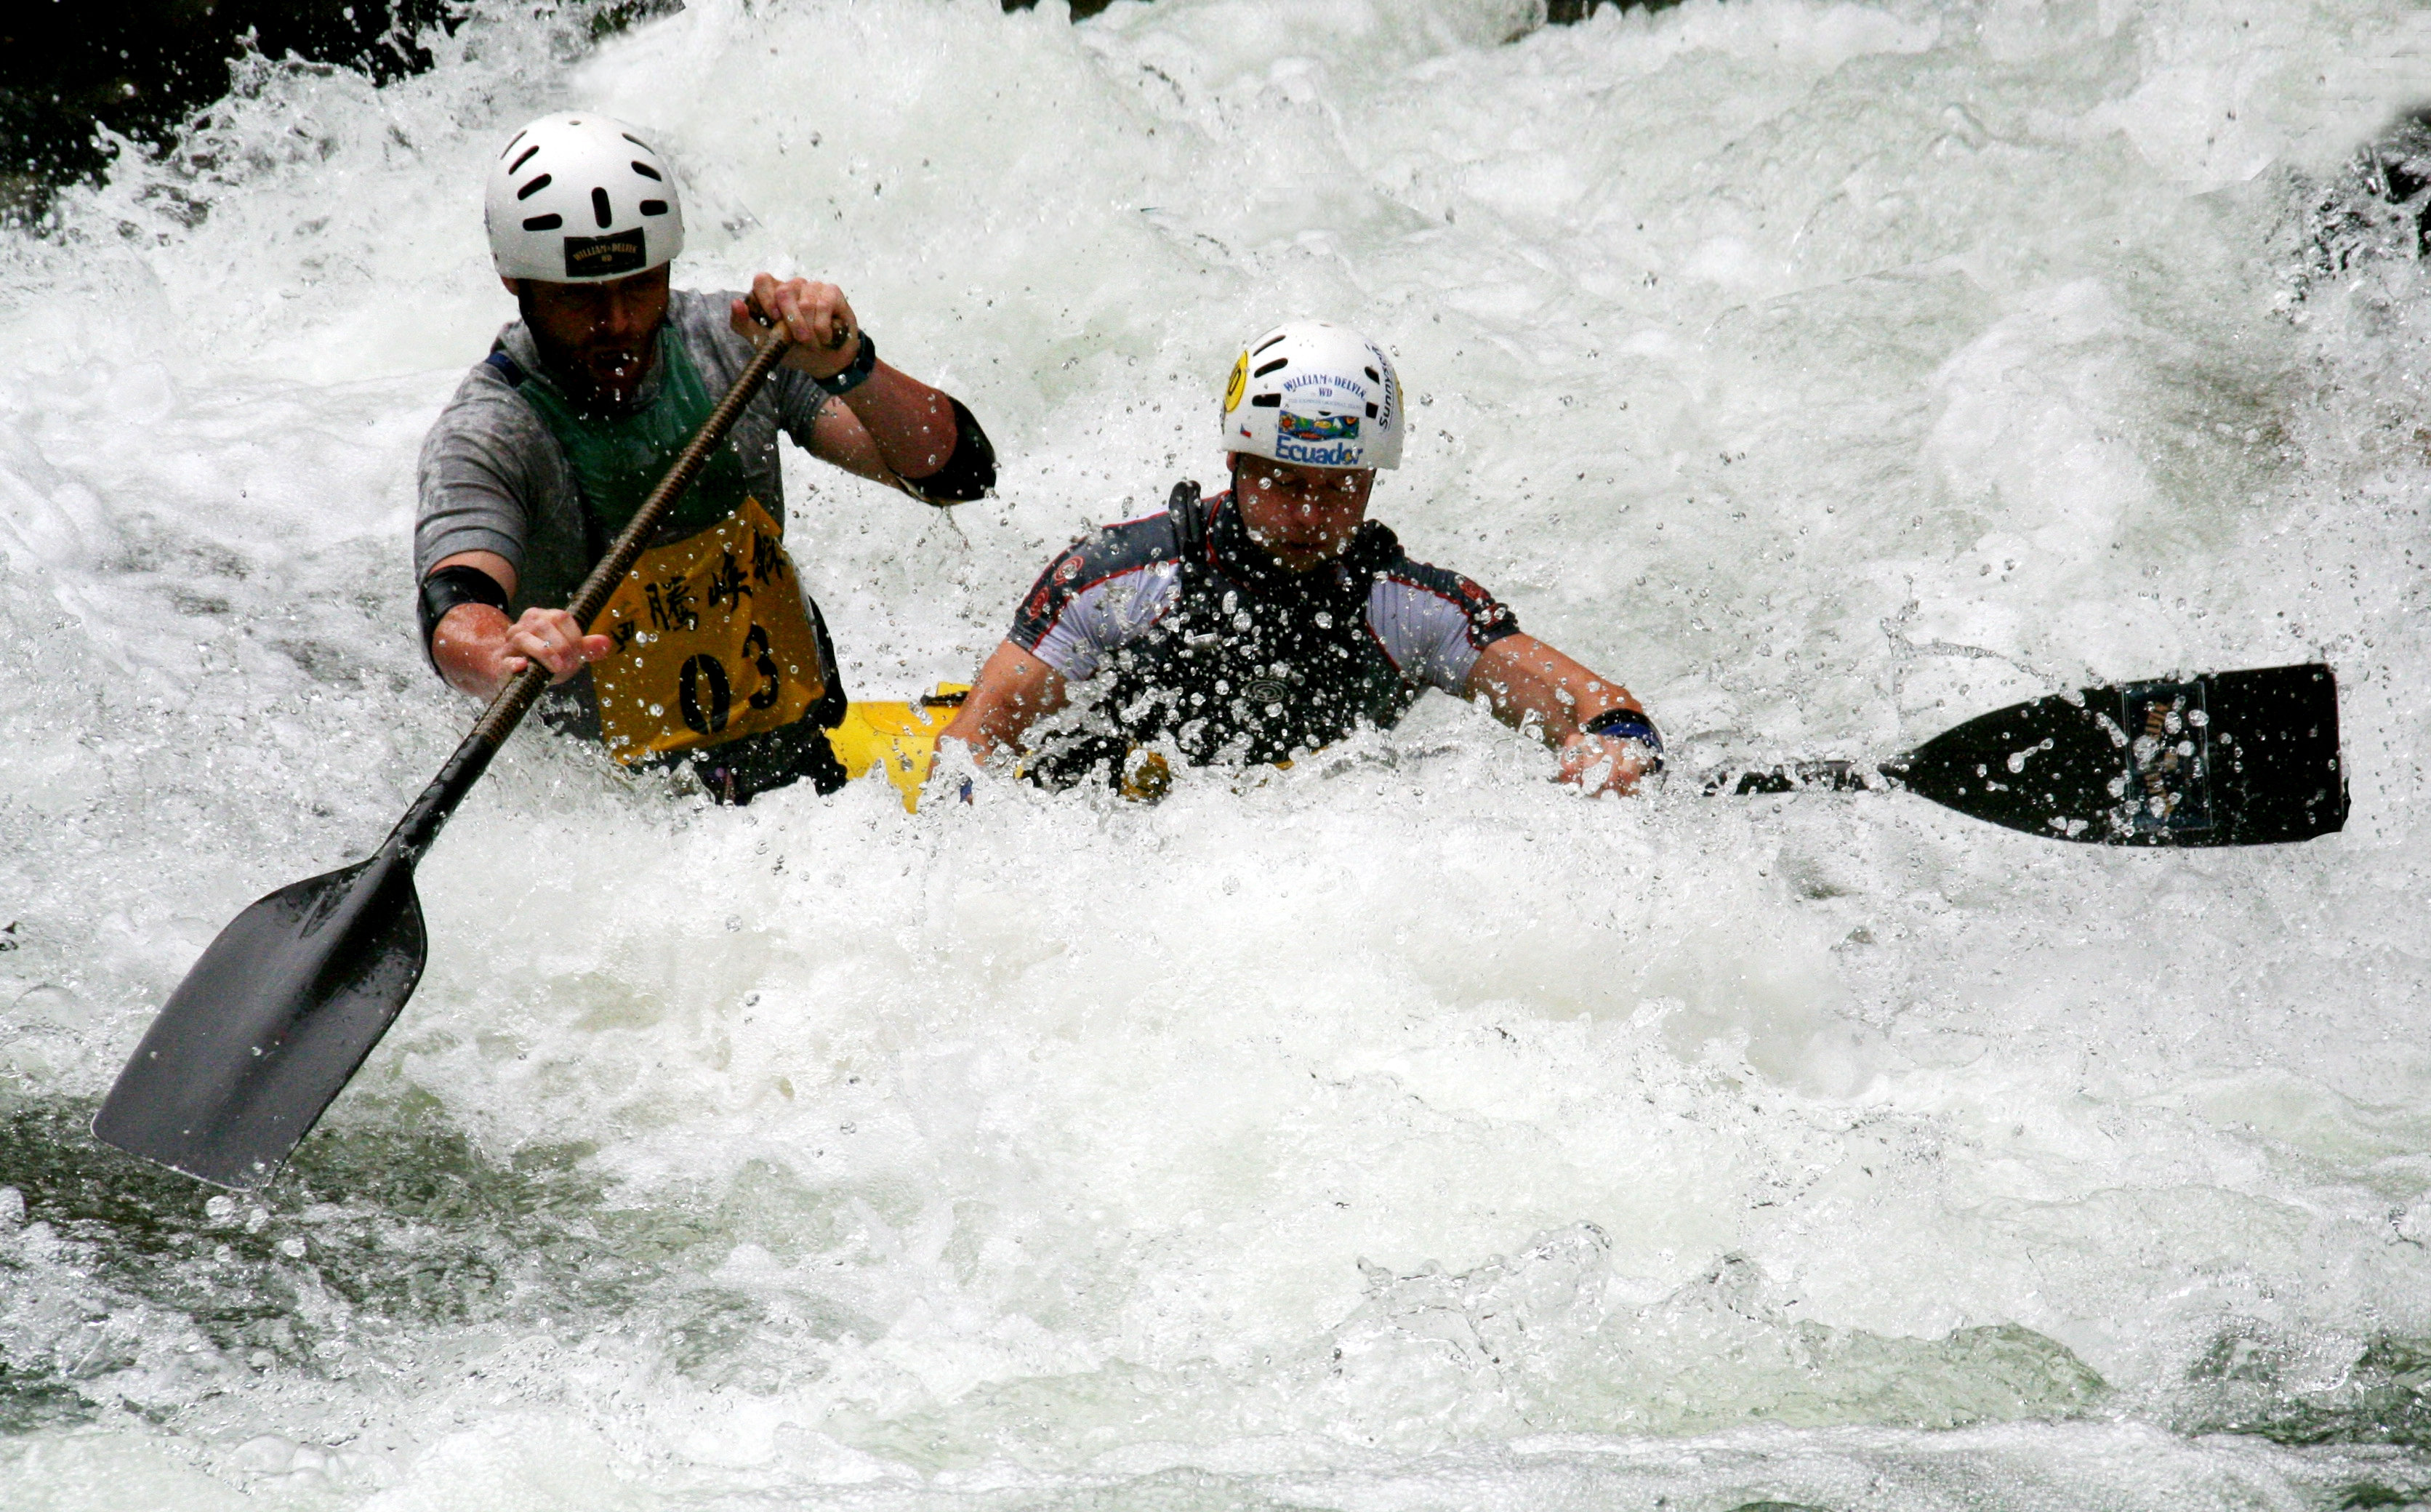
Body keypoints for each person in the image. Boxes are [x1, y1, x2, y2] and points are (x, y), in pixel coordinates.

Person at [414, 111, 996, 803]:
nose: (619, 322)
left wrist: (851, 366)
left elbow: (957, 473)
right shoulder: (490, 432)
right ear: (517, 282)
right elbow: (456, 605)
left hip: (802, 772)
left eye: (637, 283)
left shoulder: (740, 344)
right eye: (582, 298)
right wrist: (502, 650)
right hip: (627, 817)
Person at [936, 321, 1659, 797]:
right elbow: (970, 753)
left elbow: (1604, 710)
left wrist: (1611, 752)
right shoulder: (1115, 581)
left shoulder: (1408, 610)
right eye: (1283, 482)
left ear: (1372, 482)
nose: (1310, 516)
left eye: (1338, 489)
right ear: (1234, 461)